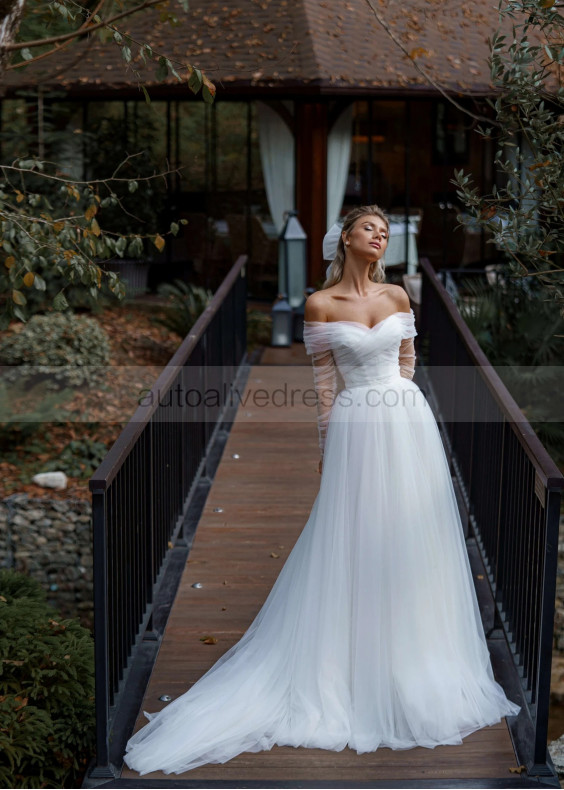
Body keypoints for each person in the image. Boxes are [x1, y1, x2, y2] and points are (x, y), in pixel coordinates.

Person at [123, 204, 520, 776]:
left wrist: (398, 413)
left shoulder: (398, 298)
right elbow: (326, 386)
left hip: (404, 426)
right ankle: (349, 671)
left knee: (411, 542)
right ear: (346, 239)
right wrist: (329, 448)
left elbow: (407, 363)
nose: (380, 236)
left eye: (386, 231)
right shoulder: (320, 304)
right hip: (356, 428)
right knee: (355, 541)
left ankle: (413, 664)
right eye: (370, 228)